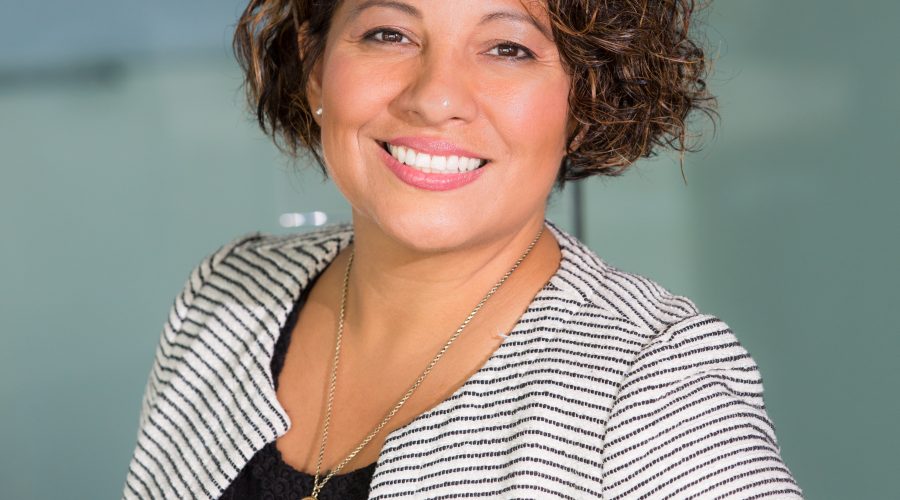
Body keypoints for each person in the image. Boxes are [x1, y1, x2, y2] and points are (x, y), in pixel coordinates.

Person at [123, 0, 803, 498]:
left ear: (586, 95)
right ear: (313, 65)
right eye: (388, 34)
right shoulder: (226, 297)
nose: (435, 97)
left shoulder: (656, 390)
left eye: (508, 47)